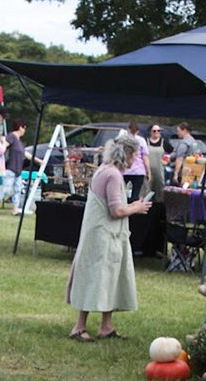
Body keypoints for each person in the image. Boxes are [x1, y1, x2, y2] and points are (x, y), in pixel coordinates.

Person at [65, 136, 151, 342]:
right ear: (127, 154)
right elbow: (116, 211)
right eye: (134, 155)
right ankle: (79, 327)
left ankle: (106, 326)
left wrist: (132, 206)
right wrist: (137, 208)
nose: (135, 160)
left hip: (103, 234)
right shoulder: (112, 174)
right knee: (95, 278)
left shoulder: (104, 169)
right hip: (103, 236)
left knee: (108, 278)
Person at [119, 122, 150, 201]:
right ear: (138, 131)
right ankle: (134, 209)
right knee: (135, 194)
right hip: (138, 171)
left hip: (124, 170)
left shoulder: (123, 140)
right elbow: (145, 157)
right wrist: (148, 172)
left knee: (120, 193)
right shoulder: (141, 140)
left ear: (128, 129)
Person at [1, 121, 28, 210]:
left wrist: (38, 160)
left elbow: (24, 153)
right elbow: (5, 143)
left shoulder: (19, 141)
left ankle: (15, 210)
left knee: (17, 190)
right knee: (6, 190)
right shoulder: (11, 136)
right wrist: (1, 150)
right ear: (20, 127)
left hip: (18, 170)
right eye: (24, 128)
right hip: (10, 168)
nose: (25, 130)